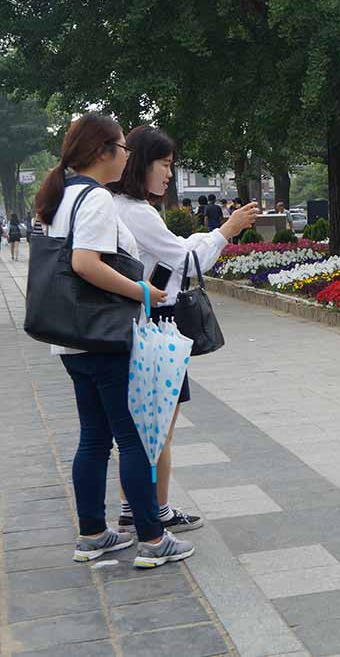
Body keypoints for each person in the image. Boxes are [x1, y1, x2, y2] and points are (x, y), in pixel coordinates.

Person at [34, 112, 194, 567]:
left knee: (94, 439)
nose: (127, 156)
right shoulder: (96, 199)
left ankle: (93, 534)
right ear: (103, 152)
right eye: (122, 148)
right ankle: (152, 538)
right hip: (105, 336)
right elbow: (86, 263)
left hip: (71, 338)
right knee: (136, 438)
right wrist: (142, 290)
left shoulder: (60, 196)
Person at [110, 126, 259, 534]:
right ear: (142, 162)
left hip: (130, 325)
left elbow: (174, 250)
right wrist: (227, 230)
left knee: (137, 427)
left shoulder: (114, 206)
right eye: (166, 164)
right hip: (154, 325)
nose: (169, 175)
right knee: (157, 427)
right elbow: (187, 259)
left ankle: (132, 508)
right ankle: (153, 512)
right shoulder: (136, 211)